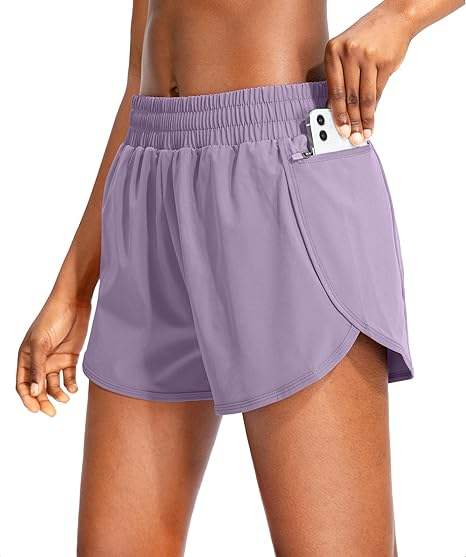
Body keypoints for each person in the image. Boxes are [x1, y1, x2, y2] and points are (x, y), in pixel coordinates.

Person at [16, 0, 463, 555]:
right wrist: (74, 288)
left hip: (276, 167)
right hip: (146, 177)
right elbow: (137, 76)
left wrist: (401, 16)